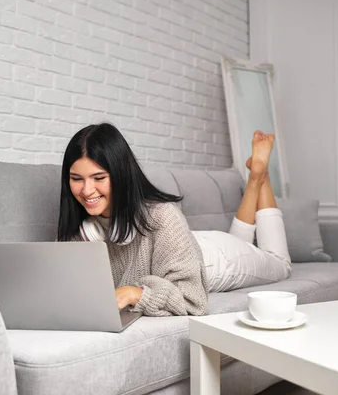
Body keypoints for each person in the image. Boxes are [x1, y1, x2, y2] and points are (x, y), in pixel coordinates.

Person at [57, 123, 290, 317]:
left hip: (218, 261)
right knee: (240, 240)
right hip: (185, 247)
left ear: (121, 175)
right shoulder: (84, 230)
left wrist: (137, 293)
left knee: (279, 263)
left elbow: (193, 299)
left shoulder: (162, 215)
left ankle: (260, 177)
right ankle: (255, 179)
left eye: (99, 178)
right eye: (77, 178)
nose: (87, 190)